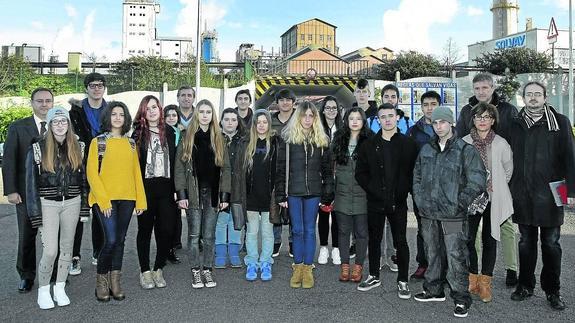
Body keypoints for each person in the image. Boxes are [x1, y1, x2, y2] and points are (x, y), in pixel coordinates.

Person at [412, 106, 486, 318]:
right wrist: (419, 200)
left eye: (442, 122)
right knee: (431, 252)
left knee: (456, 256)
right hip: (428, 213)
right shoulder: (426, 149)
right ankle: (433, 289)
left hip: (453, 214)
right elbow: (416, 177)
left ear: (451, 123)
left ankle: (461, 298)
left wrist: (460, 202)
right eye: (435, 123)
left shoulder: (465, 150)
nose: (439, 126)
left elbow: (477, 180)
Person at [508, 82, 575, 311]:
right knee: (526, 243)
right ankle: (525, 285)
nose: (533, 98)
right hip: (522, 193)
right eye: (529, 94)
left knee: (551, 244)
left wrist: (572, 192)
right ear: (523, 98)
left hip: (554, 192)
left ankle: (552, 290)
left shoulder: (560, 122)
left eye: (538, 94)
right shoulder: (514, 124)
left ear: (545, 97)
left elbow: (570, 158)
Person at [455, 72, 519, 286]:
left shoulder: (509, 110)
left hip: (501, 178)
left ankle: (511, 268)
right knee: (475, 230)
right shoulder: (466, 111)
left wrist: (502, 180)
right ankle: (476, 272)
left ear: (492, 88)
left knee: (505, 225)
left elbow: (513, 145)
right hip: (474, 182)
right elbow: (461, 143)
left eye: (485, 88)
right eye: (477, 88)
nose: (481, 92)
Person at [25, 106, 89, 309]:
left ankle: (59, 287)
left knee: (67, 249)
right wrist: (35, 213)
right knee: (50, 250)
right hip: (48, 203)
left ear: (68, 124)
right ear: (50, 125)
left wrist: (85, 207)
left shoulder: (79, 146)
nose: (60, 125)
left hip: (72, 201)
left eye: (63, 122)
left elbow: (84, 179)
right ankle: (44, 290)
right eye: (56, 122)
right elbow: (30, 183)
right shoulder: (37, 147)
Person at [355, 103, 418, 299]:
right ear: (377, 120)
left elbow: (415, 173)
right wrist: (373, 190)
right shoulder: (368, 145)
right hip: (375, 201)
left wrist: (404, 190)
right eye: (383, 116)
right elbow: (360, 173)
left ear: (397, 117)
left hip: (398, 202)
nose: (388, 119)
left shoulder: (409, 145)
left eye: (391, 115)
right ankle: (374, 275)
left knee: (401, 241)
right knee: (375, 239)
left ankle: (403, 280)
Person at [86, 101, 147, 302]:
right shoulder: (98, 142)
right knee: (110, 240)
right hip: (105, 199)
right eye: (114, 114)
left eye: (121, 114)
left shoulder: (130, 143)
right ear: (108, 117)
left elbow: (136, 173)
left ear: (126, 118)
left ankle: (115, 283)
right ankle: (101, 283)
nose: (118, 117)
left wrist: (140, 201)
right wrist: (103, 201)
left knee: (120, 241)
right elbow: (92, 175)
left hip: (128, 198)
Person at [275, 101, 333, 289]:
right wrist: (281, 196)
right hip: (293, 192)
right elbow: (280, 169)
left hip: (314, 192)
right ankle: (297, 267)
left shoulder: (322, 140)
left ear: (315, 118)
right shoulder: (287, 139)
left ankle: (307, 268)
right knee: (297, 230)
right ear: (297, 116)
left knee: (309, 230)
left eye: (311, 116)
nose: (307, 119)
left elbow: (327, 170)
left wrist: (327, 192)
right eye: (304, 115)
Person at [174, 99, 231, 289]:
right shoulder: (186, 136)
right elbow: (179, 169)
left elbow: (227, 169)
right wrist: (181, 194)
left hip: (213, 195)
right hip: (193, 194)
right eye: (201, 111)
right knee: (193, 235)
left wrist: (224, 196)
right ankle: (195, 270)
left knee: (209, 236)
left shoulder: (220, 138)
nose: (205, 115)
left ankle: (207, 268)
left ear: (212, 115)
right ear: (196, 114)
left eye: (208, 111)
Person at [2, 87, 53, 293]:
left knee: (54, 237)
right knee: (27, 236)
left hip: (54, 193)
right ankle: (26, 275)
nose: (44, 105)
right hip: (26, 193)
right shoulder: (18, 127)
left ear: (52, 103)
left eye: (48, 101)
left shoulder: (60, 125)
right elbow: (9, 161)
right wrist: (11, 190)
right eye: (39, 101)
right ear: (32, 103)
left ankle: (55, 273)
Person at [463, 102, 514, 303]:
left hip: (493, 197)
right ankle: (472, 277)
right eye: (478, 117)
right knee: (468, 238)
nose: (482, 120)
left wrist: (495, 185)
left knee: (489, 239)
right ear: (473, 120)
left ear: (493, 120)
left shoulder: (501, 143)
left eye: (486, 117)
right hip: (472, 198)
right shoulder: (465, 142)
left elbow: (508, 170)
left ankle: (485, 283)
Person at [132, 95, 178, 289]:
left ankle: (158, 268)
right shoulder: (136, 135)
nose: (152, 111)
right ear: (143, 112)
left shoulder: (170, 132)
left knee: (166, 230)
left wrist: (178, 190)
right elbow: (132, 167)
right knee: (144, 230)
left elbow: (177, 163)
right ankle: (145, 271)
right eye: (147, 108)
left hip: (166, 190)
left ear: (160, 110)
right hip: (145, 190)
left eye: (155, 107)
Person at [68, 72, 108, 274]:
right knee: (78, 213)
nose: (96, 88)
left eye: (100, 85)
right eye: (92, 85)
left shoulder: (111, 111)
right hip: (80, 167)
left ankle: (98, 251)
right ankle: (74, 256)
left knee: (100, 211)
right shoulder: (75, 111)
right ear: (86, 88)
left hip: (104, 168)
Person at [330, 107, 371, 283]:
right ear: (346, 121)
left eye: (358, 118)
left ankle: (358, 267)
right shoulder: (338, 140)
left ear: (363, 121)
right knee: (343, 232)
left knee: (362, 233)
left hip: (363, 194)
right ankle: (345, 266)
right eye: (351, 118)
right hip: (342, 194)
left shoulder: (370, 141)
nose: (354, 122)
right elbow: (331, 168)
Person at [406, 90, 441, 280]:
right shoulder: (414, 131)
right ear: (421, 107)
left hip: (444, 189)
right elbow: (410, 161)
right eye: (426, 104)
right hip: (421, 189)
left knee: (443, 228)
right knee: (423, 227)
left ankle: (442, 266)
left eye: (433, 104)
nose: (429, 108)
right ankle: (423, 263)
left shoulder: (448, 128)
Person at [243, 109, 278, 281]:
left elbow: (279, 171)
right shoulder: (247, 143)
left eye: (265, 122)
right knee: (251, 232)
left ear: (269, 124)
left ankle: (265, 262)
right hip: (251, 196)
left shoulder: (276, 142)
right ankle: (251, 262)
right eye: (259, 122)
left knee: (267, 232)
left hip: (268, 197)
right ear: (254, 124)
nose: (262, 125)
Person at [215, 108, 248, 269]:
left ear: (238, 122)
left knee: (236, 220)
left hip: (239, 187)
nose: (230, 122)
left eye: (233, 119)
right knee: (221, 221)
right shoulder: (215, 139)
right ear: (221, 121)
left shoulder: (244, 140)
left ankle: (234, 252)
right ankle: (220, 253)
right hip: (220, 187)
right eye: (226, 119)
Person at [270, 88, 296, 257]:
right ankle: (276, 241)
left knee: (294, 206)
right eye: (282, 100)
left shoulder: (299, 119)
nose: (285, 103)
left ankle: (293, 242)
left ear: (294, 102)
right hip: (275, 168)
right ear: (277, 103)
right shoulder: (271, 121)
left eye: (288, 100)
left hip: (295, 169)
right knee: (275, 205)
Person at [317, 96, 343, 265]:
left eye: (334, 108)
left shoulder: (343, 129)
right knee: (324, 214)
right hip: (322, 178)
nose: (331, 111)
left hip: (340, 177)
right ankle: (323, 248)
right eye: (328, 108)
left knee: (338, 215)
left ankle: (337, 248)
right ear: (323, 110)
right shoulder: (317, 129)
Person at [164, 104, 184, 263]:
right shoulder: (161, 134)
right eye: (168, 115)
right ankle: (167, 247)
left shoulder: (183, 133)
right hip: (165, 178)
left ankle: (176, 242)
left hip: (179, 177)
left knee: (177, 214)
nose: (171, 118)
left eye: (174, 115)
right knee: (167, 215)